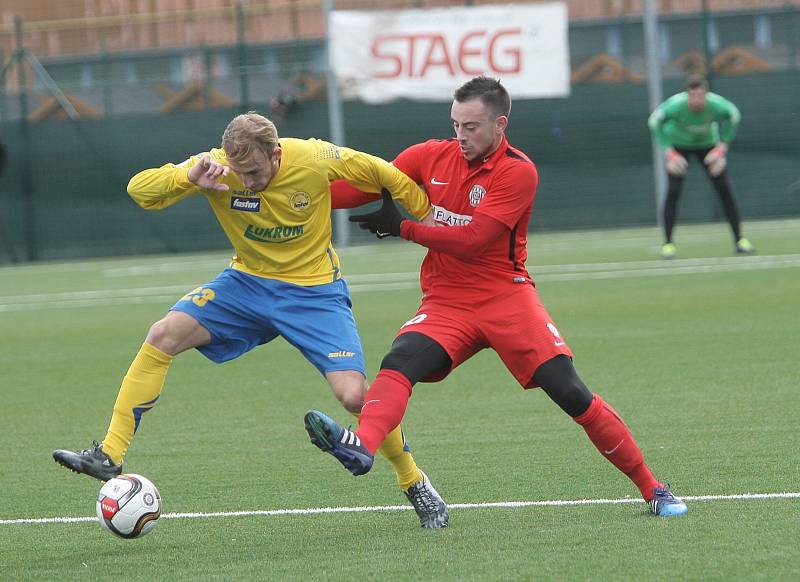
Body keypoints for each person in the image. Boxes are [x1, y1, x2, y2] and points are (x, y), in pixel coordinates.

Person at [304, 76, 688, 518]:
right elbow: (355, 191)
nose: (460, 135)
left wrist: (404, 228)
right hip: (447, 300)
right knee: (400, 361)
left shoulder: (517, 171)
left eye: (471, 126)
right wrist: (292, 189)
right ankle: (362, 449)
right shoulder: (427, 156)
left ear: (500, 124)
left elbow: (475, 239)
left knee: (570, 391)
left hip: (506, 296)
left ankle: (652, 489)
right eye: (455, 124)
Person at [53, 112, 449, 529]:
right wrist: (189, 178)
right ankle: (109, 454)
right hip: (246, 286)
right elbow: (139, 190)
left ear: (275, 153)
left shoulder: (314, 157)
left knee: (354, 397)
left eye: (256, 171)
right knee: (162, 335)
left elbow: (382, 171)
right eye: (240, 171)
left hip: (314, 293)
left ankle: (413, 480)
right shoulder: (216, 167)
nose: (248, 180)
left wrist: (423, 213)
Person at [648, 75, 754, 259]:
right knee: (673, 191)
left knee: (724, 190)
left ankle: (739, 241)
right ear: (687, 95)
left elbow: (734, 115)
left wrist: (722, 147)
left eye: (700, 95)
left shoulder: (716, 104)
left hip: (708, 146)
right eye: (693, 96)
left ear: (706, 95)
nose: (697, 100)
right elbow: (654, 122)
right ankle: (668, 244)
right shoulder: (675, 105)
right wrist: (669, 153)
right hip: (678, 145)